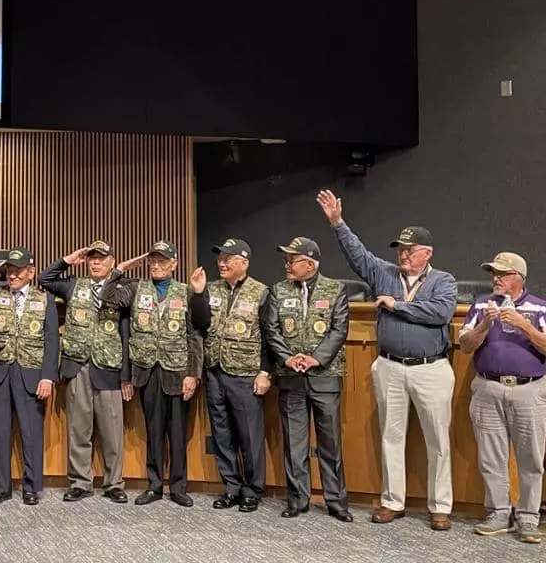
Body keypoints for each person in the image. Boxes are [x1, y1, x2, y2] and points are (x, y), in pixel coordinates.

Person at [316, 190, 457, 531]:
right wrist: (337, 223)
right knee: (390, 436)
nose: (404, 254)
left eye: (410, 250)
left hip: (431, 368)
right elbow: (357, 255)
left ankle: (440, 506)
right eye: (401, 249)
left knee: (437, 439)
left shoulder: (444, 281)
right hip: (391, 366)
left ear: (428, 253)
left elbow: (440, 313)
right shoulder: (385, 273)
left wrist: (397, 306)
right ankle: (393, 501)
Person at [459, 252, 546, 545]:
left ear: (519, 278)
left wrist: (523, 324)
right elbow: (465, 346)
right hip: (488, 388)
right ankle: (499, 513)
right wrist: (484, 326)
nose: (496, 279)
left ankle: (528, 517)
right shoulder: (480, 305)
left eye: (502, 274)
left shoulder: (540, 307)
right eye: (494, 273)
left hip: (530, 390)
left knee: (530, 457)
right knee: (491, 457)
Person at [102, 240, 202, 508]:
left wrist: (193, 373)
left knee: (178, 433)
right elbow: (107, 295)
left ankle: (178, 487)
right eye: (153, 261)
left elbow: (194, 337)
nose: (157, 266)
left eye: (163, 261)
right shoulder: (136, 288)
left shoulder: (186, 292)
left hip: (177, 370)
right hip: (147, 370)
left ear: (174, 264)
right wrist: (122, 268)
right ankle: (155, 485)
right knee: (154, 430)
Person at [264, 237, 352, 523]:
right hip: (290, 377)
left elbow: (339, 330)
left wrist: (316, 358)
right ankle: (298, 498)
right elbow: (271, 330)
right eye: (286, 260)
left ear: (311, 263)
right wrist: (288, 358)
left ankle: (336, 501)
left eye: (293, 260)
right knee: (295, 443)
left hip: (324, 377)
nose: (287, 265)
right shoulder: (278, 290)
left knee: (330, 443)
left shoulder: (335, 289)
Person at [38, 240, 131, 504]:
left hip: (108, 367)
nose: (96, 262)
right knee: (79, 428)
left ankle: (114, 483)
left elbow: (126, 333)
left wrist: (126, 374)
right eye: (92, 258)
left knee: (112, 431)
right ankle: (80, 481)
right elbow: (45, 278)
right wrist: (68, 259)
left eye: (101, 258)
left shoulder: (120, 289)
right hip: (77, 366)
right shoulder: (73, 285)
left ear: (112, 261)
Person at [0, 249, 59, 506]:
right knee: (0, 432)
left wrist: (48, 377)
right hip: (1, 371)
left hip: (31, 372)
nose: (12, 275)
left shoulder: (44, 300)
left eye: (18, 270)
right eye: (9, 270)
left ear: (31, 273)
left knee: (31, 433)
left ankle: (31, 486)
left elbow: (52, 341)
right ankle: (1, 487)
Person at [190, 238, 271, 512]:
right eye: (220, 258)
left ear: (244, 262)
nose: (221, 263)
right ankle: (231, 487)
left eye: (228, 258)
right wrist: (199, 294)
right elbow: (199, 323)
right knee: (222, 433)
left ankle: (252, 489)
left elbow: (269, 337)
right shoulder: (210, 288)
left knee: (249, 435)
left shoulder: (260, 292)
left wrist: (265, 372)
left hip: (246, 374)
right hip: (215, 371)